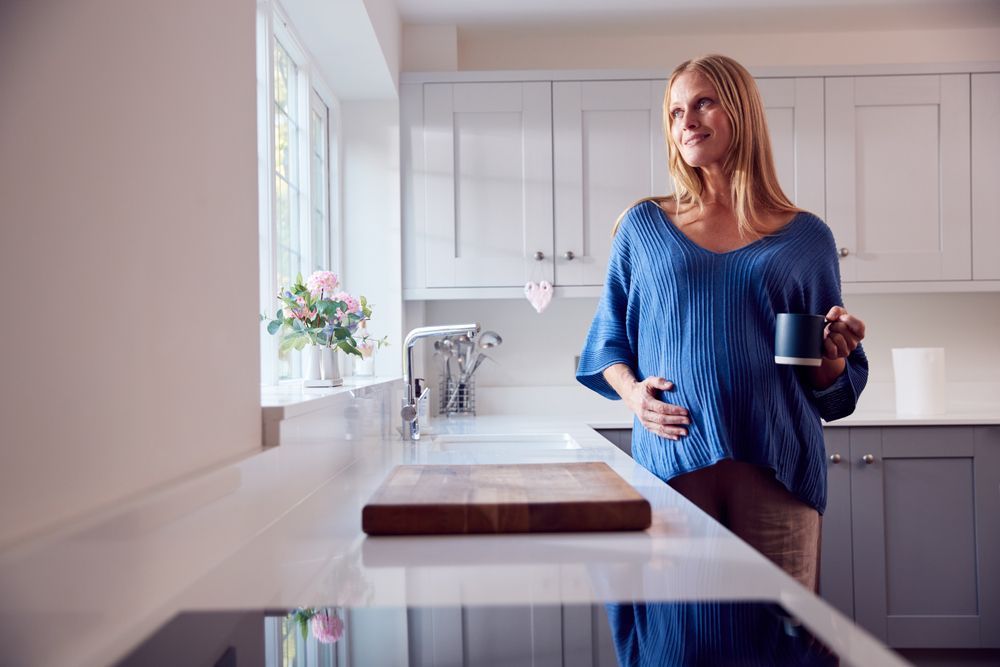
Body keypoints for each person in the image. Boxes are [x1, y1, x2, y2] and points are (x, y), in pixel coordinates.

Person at [576, 54, 868, 592]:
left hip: (779, 471)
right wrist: (635, 396)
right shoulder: (643, 227)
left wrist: (834, 360)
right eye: (675, 111)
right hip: (672, 466)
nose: (687, 121)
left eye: (704, 103)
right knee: (678, 637)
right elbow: (607, 344)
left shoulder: (807, 238)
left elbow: (830, 388)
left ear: (742, 112)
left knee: (778, 636)